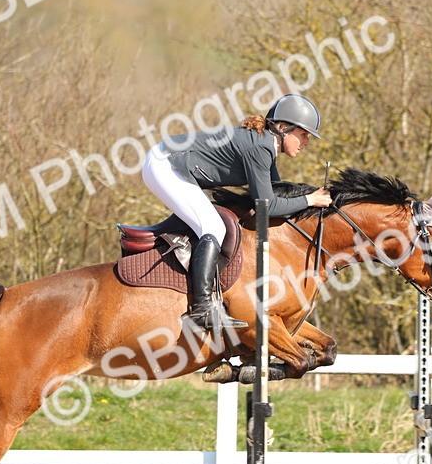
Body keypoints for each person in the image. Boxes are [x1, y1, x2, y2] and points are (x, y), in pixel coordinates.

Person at [141, 94, 332, 333]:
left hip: (171, 163)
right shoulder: (260, 147)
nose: (306, 142)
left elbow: (275, 194)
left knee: (212, 223)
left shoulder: (266, 146)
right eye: (303, 135)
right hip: (165, 166)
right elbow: (267, 206)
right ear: (283, 128)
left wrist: (309, 198)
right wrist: (311, 200)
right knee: (214, 227)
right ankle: (202, 310)